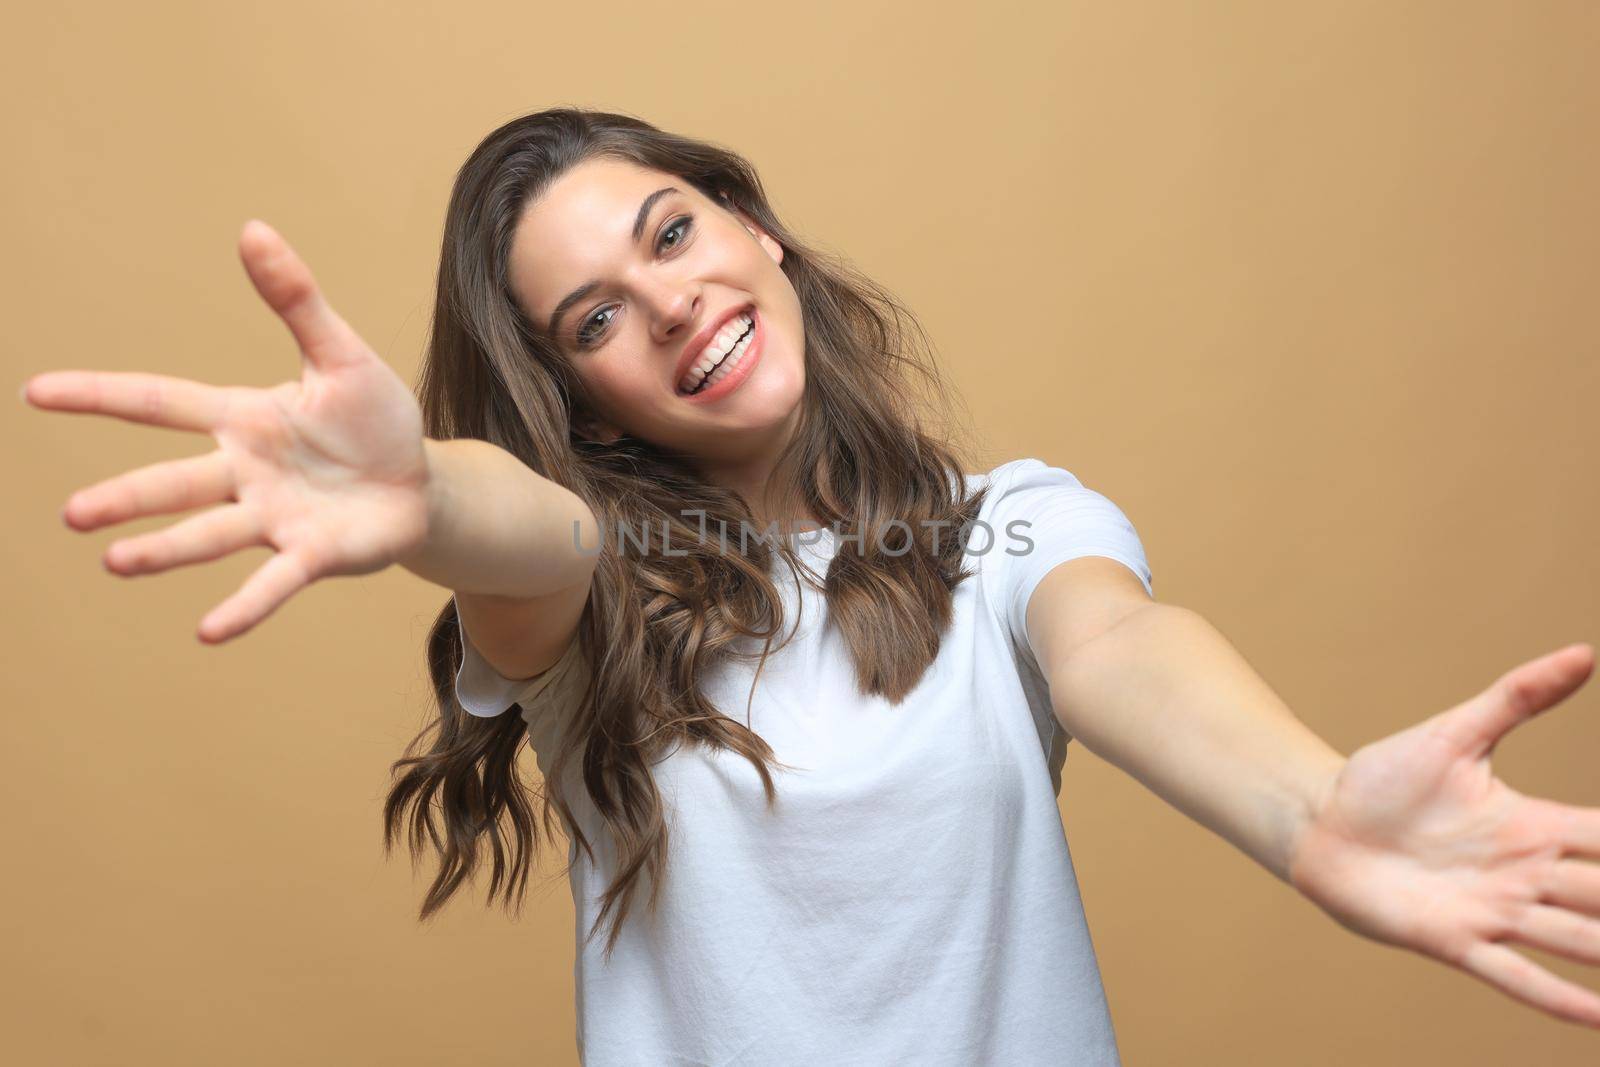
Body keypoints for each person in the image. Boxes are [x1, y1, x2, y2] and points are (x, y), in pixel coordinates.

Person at [21, 107, 1600, 1064]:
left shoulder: (1010, 529)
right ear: (577, 404)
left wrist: (1311, 809)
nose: (669, 301)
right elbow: (530, 536)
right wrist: (421, 488)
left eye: (675, 230)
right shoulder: (591, 599)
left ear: (757, 227)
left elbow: (1121, 647)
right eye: (592, 319)